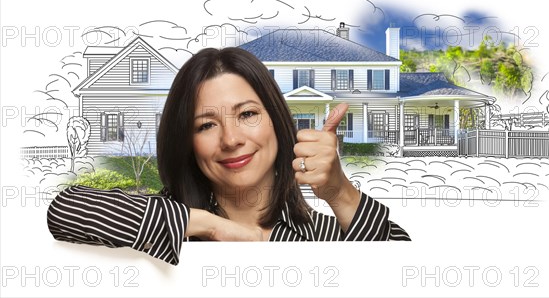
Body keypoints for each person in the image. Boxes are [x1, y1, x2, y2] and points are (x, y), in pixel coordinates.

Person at [47, 47, 410, 265]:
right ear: (186, 142)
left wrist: (339, 191)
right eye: (205, 125)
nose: (231, 139)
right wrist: (217, 227)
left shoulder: (328, 237)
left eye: (247, 114)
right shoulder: (169, 226)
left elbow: (402, 269)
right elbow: (66, 210)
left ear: (276, 122)